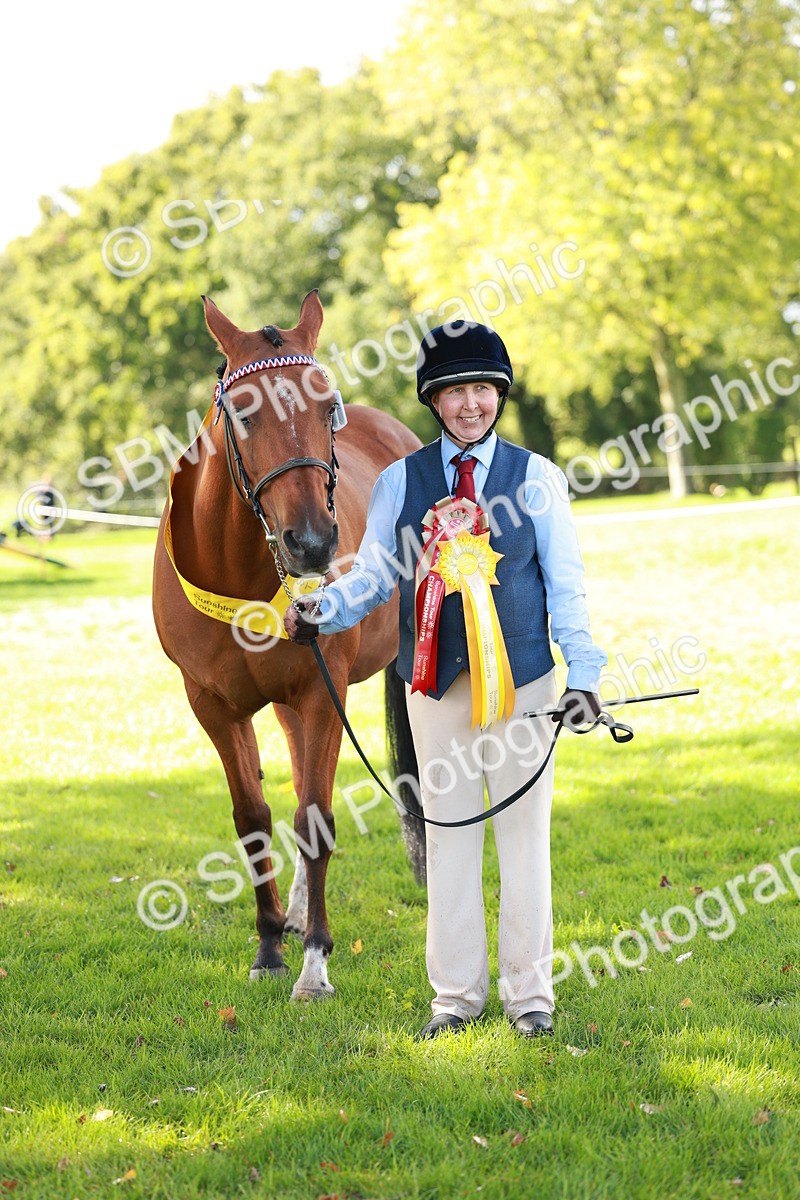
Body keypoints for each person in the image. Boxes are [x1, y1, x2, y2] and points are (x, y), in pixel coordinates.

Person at [285, 321, 607, 1040]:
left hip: (523, 683)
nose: (471, 404)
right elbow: (371, 577)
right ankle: (455, 998)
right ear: (434, 399)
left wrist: (582, 675)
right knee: (449, 831)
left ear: (500, 395)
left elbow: (568, 586)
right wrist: (321, 607)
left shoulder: (538, 478)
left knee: (524, 836)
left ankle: (531, 997)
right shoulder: (404, 480)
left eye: (483, 390)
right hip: (431, 686)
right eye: (456, 390)